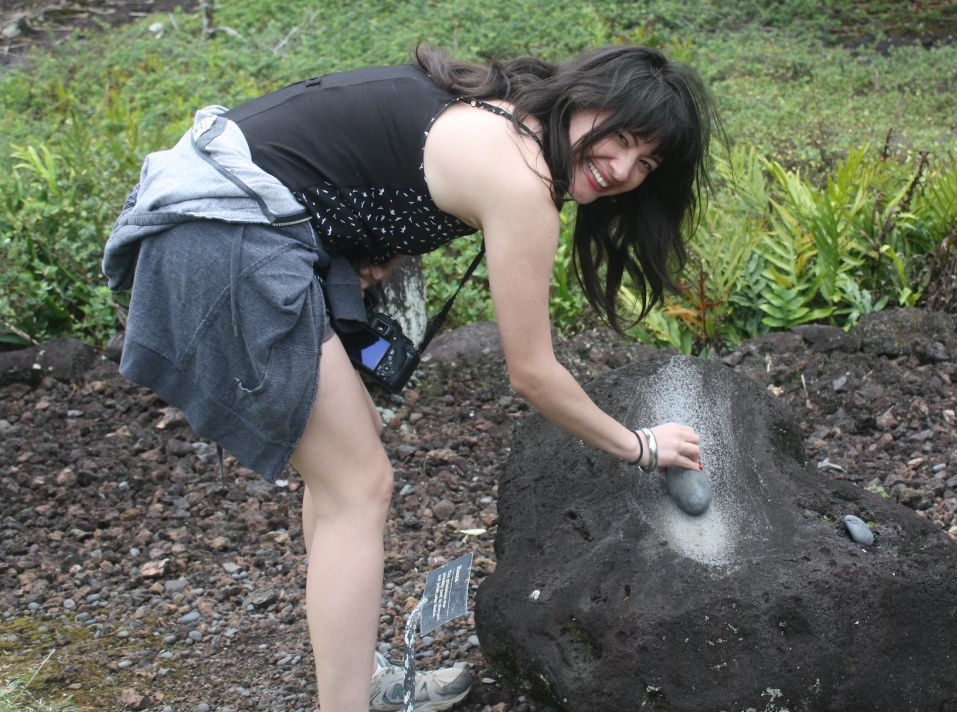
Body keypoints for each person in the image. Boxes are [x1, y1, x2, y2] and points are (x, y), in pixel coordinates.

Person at [101, 44, 717, 712]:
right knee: (358, 484)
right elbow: (533, 374)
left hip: (220, 216)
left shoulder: (508, 111)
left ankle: (356, 676)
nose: (624, 168)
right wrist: (640, 446)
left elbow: (339, 158)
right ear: (585, 97)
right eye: (620, 138)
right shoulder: (521, 174)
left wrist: (349, 239)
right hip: (217, 231)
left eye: (646, 162)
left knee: (348, 464)